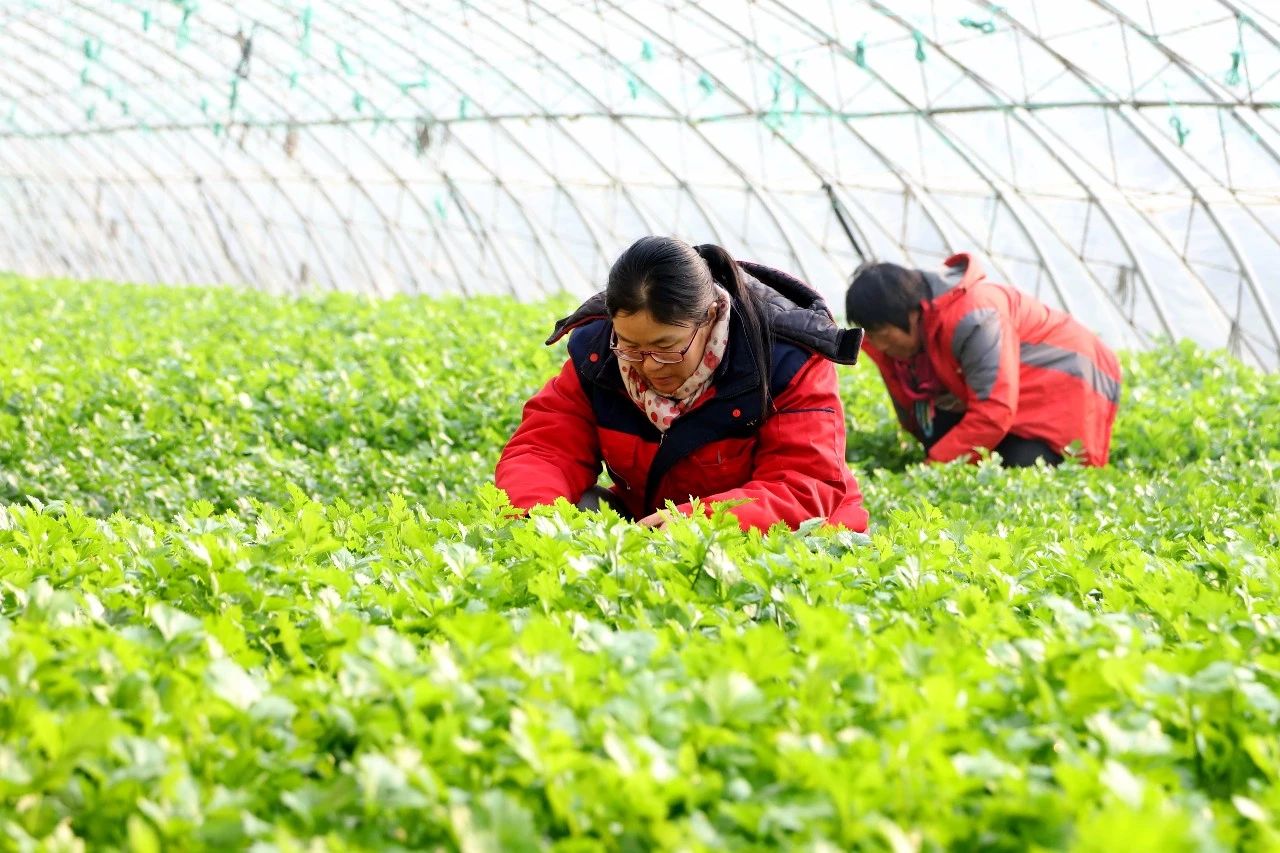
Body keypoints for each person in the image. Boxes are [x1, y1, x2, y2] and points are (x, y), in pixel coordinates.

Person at [496, 236, 870, 532]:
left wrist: (698, 523)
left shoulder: (787, 360)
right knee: (573, 512)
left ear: (709, 317)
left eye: (665, 347)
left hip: (785, 533)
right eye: (630, 345)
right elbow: (545, 449)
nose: (647, 365)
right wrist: (534, 518)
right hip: (654, 526)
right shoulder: (597, 355)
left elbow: (802, 485)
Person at [846, 253, 1121, 467]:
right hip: (1009, 396)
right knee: (948, 442)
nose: (879, 345)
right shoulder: (903, 340)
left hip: (1067, 380)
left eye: (883, 335)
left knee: (1024, 464)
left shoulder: (975, 316)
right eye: (872, 336)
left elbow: (994, 411)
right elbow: (916, 415)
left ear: (912, 315)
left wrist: (935, 466)